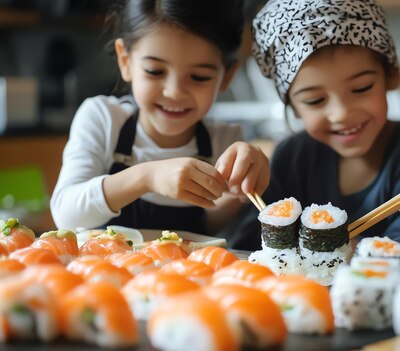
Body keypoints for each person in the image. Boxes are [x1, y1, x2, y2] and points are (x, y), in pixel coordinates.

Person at [225, 0, 400, 252]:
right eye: (315, 100)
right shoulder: (292, 157)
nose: (341, 113)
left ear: (391, 76)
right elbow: (247, 244)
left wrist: (335, 251)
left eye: (361, 88)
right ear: (294, 107)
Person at [51, 0, 270, 234]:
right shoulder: (103, 120)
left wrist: (243, 191)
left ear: (227, 76)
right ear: (125, 61)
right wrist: (147, 177)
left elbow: (205, 227)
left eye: (199, 77)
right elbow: (65, 215)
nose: (174, 92)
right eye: (155, 71)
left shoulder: (223, 142)